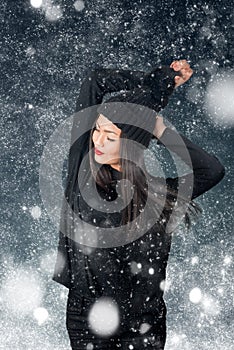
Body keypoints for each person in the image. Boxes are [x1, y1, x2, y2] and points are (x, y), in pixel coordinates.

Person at [52, 60, 225, 349]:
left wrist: (160, 130)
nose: (98, 140)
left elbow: (212, 170)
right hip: (89, 325)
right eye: (97, 130)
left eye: (110, 135)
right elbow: (95, 79)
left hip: (144, 327)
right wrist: (160, 83)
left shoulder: (159, 195)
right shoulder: (81, 173)